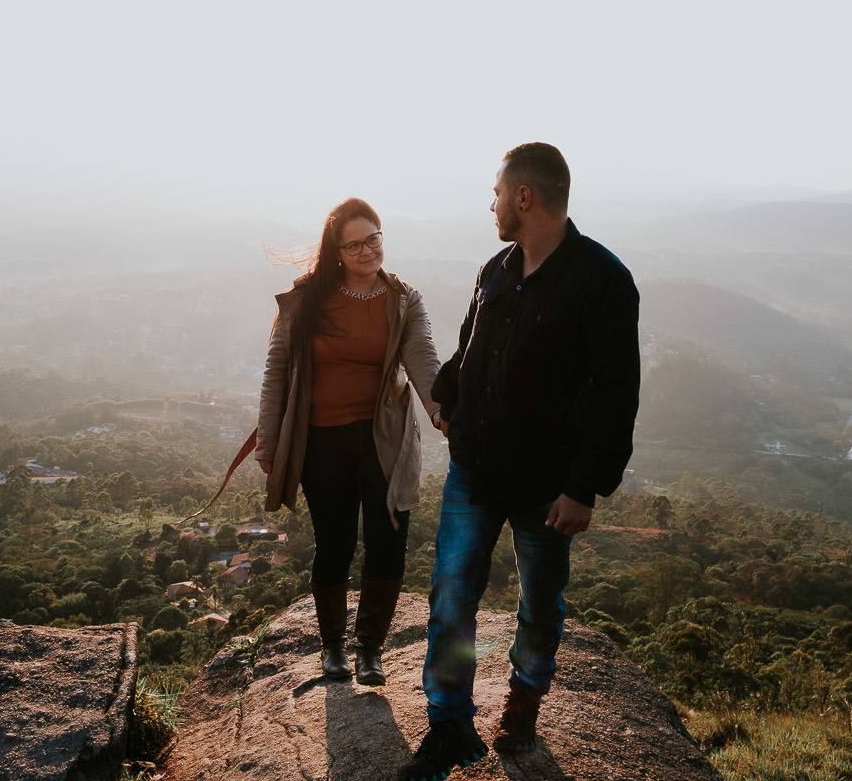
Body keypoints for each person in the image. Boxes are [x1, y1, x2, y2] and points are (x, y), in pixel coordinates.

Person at [398, 144, 640, 779]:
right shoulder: (496, 269)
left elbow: (617, 396)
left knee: (539, 602)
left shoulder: (603, 282)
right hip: (474, 471)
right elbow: (468, 354)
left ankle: (522, 712)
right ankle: (449, 724)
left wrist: (584, 489)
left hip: (546, 485)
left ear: (524, 198)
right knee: (452, 594)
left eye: (498, 194)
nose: (492, 205)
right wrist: (447, 398)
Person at [256, 197, 441, 686]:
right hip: (321, 440)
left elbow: (423, 358)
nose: (366, 251)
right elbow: (277, 370)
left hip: (385, 440)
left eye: (373, 239)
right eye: (354, 244)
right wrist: (269, 440)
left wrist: (444, 408)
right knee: (334, 542)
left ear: (383, 237)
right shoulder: (307, 300)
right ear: (336, 250)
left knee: (389, 541)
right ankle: (333, 648)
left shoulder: (403, 299)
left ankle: (370, 650)